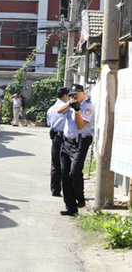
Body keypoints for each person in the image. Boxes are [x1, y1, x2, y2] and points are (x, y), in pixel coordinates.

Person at [57, 84, 94, 216]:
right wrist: (69, 105)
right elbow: (59, 111)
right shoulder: (71, 104)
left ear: (83, 93)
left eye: (76, 94)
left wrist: (77, 111)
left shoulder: (88, 106)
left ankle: (81, 199)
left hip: (79, 143)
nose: (74, 97)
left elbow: (80, 125)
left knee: (74, 172)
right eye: (72, 95)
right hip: (66, 143)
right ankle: (70, 207)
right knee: (64, 175)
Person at [46, 87, 69, 197]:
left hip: (55, 137)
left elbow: (50, 124)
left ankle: (55, 190)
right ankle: (67, 191)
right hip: (65, 138)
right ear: (64, 96)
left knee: (55, 164)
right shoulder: (68, 108)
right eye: (68, 96)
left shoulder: (51, 109)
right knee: (65, 165)